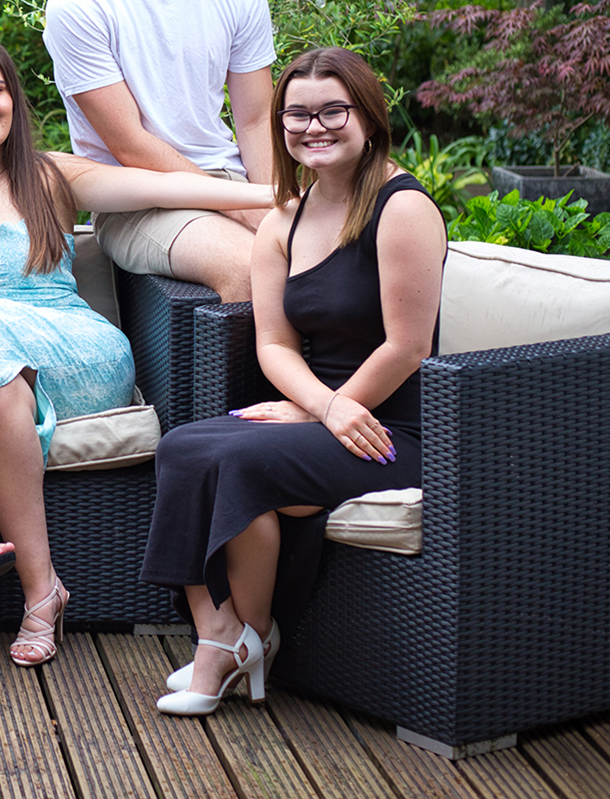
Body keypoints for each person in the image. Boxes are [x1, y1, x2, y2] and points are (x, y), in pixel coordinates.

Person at [0, 35, 275, 670]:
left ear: (15, 101)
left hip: (81, 354)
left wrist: (278, 197)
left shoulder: (50, 176)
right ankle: (41, 594)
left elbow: (164, 187)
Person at [140, 47, 444, 716]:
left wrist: (333, 410)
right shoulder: (284, 220)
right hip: (322, 407)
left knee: (242, 459)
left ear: (367, 116)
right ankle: (230, 634)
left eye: (333, 110)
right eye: (297, 114)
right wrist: (315, 405)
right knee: (182, 447)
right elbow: (274, 343)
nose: (315, 127)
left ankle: (227, 652)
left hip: (390, 426)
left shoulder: (403, 208)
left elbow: (409, 344)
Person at [42, 0, 276, 302]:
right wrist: (249, 209)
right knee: (255, 267)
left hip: (229, 177)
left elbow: (255, 120)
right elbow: (130, 144)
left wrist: (278, 202)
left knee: (339, 255)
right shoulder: (80, 1)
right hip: (137, 200)